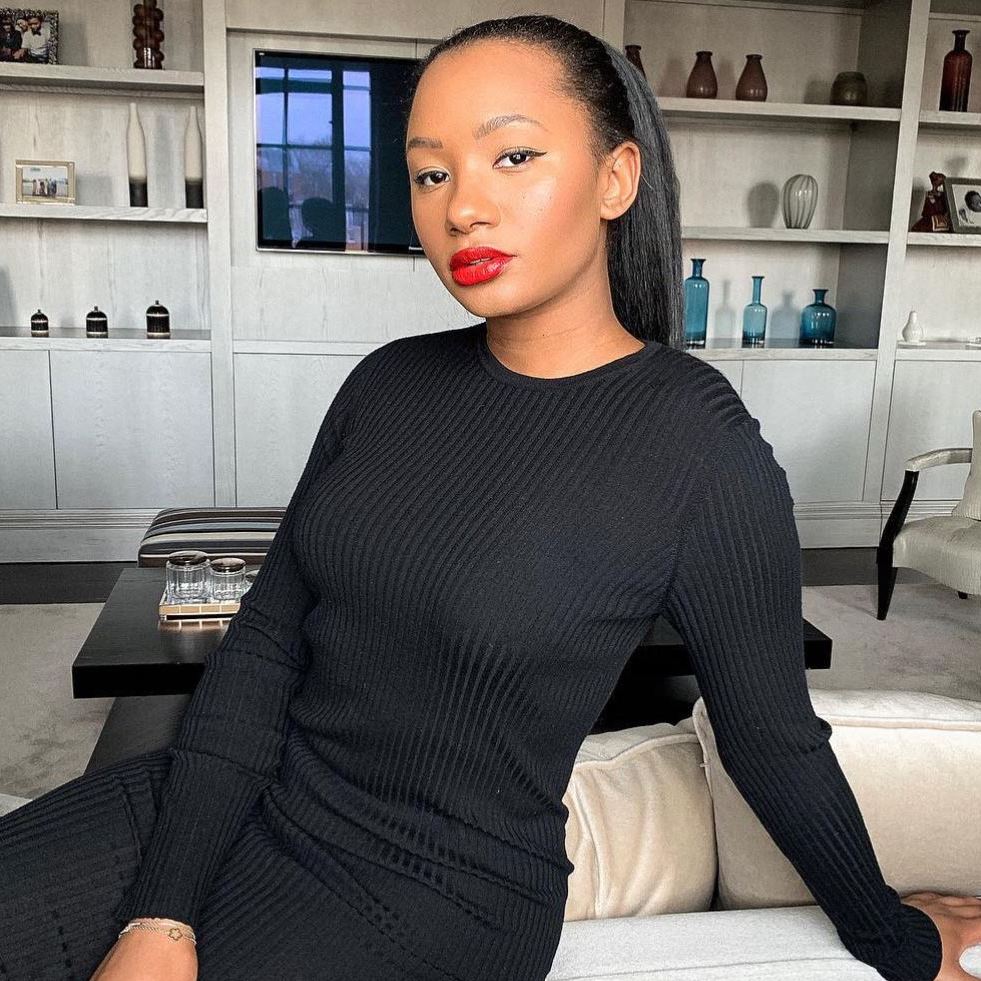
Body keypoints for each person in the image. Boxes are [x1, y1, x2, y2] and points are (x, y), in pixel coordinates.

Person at [1, 13, 979, 981]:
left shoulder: (697, 443)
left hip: (429, 895)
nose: (462, 207)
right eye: (431, 173)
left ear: (615, 178)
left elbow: (772, 744)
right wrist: (164, 911)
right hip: (221, 798)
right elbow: (264, 646)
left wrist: (895, 940)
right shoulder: (388, 382)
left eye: (512, 157)